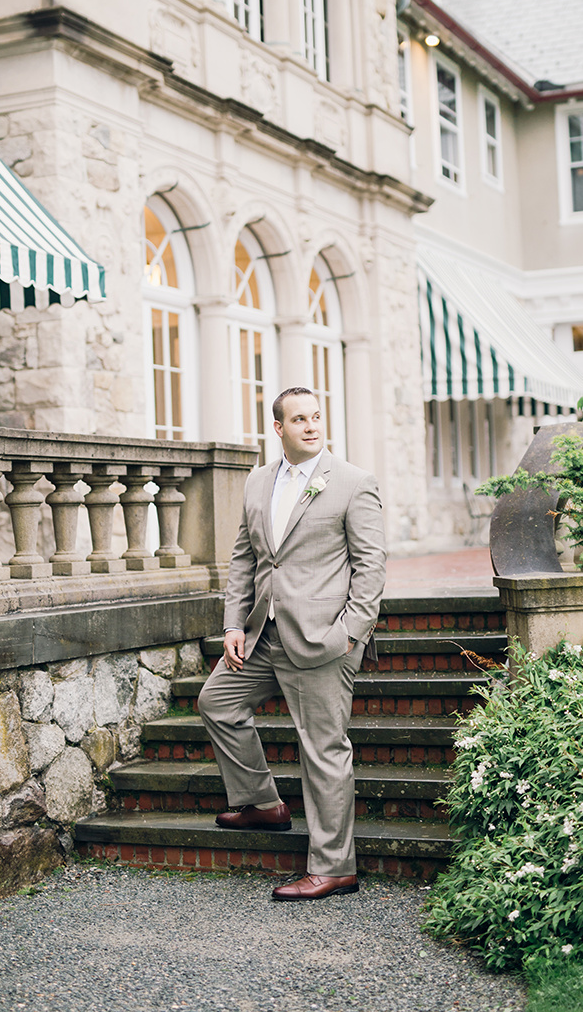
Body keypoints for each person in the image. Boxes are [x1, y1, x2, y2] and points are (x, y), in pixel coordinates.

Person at [197, 386, 386, 901]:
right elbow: (245, 559)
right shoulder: (258, 481)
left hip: (324, 639)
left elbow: (371, 566)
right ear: (277, 428)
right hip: (261, 633)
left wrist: (349, 632)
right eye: (298, 419)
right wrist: (233, 624)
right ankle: (261, 802)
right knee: (216, 702)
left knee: (323, 750)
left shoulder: (351, 483)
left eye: (316, 416)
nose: (310, 425)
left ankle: (334, 866)